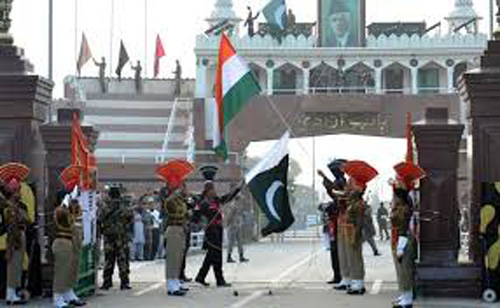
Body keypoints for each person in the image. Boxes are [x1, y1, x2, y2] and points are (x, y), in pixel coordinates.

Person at [194, 167, 242, 287]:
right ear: (207, 190)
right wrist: (203, 223)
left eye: (213, 188)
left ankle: (201, 277)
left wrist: (238, 188)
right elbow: (196, 217)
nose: (214, 191)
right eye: (212, 189)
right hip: (211, 232)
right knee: (216, 256)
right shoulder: (203, 203)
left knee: (211, 255)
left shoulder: (216, 200)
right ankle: (219, 280)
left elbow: (228, 198)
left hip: (218, 231)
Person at [390, 161, 425, 308]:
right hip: (401, 236)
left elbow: (404, 226)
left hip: (405, 238)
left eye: (398, 181)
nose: (396, 183)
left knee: (405, 269)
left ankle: (407, 299)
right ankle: (404, 295)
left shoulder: (404, 205)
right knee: (402, 269)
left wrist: (401, 246)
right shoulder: (403, 202)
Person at [342, 160, 378, 295]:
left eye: (353, 186)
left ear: (359, 189)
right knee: (352, 257)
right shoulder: (354, 202)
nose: (350, 189)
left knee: (356, 257)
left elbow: (359, 222)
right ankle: (355, 281)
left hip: (355, 233)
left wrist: (355, 236)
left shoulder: (359, 204)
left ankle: (359, 283)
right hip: (351, 232)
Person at [98, 186, 133, 290]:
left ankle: (107, 282)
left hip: (109, 236)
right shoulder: (124, 206)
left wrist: (103, 230)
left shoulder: (105, 207)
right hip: (122, 236)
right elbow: (130, 218)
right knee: (123, 259)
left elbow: (99, 219)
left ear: (109, 195)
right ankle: (124, 282)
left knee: (109, 259)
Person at [318, 159, 347, 289]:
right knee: (334, 248)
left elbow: (336, 193)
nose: (333, 172)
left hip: (339, 220)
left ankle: (341, 275)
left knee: (337, 249)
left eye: (334, 170)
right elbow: (333, 193)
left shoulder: (342, 182)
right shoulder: (338, 181)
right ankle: (337, 275)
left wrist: (324, 177)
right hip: (334, 220)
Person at [3, 174, 30, 306]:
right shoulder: (10, 206)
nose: (18, 192)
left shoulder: (19, 205)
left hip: (19, 234)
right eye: (16, 190)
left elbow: (28, 220)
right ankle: (10, 294)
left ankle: (12, 293)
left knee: (17, 265)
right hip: (15, 236)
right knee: (13, 266)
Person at [163, 182, 190, 296]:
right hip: (173, 229)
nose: (186, 189)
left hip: (180, 230)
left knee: (178, 258)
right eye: (183, 187)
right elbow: (177, 213)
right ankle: (171, 285)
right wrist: (187, 212)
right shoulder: (170, 200)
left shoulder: (181, 200)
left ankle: (176, 281)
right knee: (172, 259)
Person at [225, 195, 249, 263]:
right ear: (237, 199)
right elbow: (229, 215)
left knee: (240, 242)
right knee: (231, 242)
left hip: (238, 225)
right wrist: (228, 224)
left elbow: (240, 215)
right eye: (241, 199)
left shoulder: (239, 206)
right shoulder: (233, 206)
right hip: (232, 226)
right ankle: (228, 257)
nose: (242, 201)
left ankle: (241, 256)